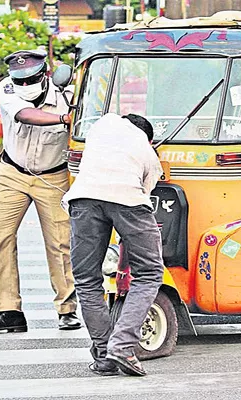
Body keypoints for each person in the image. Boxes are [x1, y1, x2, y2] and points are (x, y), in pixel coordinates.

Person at [0, 49, 81, 333]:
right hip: (12, 173)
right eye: (20, 80)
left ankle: (67, 309)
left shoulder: (67, 96)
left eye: (30, 79)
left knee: (60, 244)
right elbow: (24, 115)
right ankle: (8, 311)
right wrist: (62, 120)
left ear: (44, 74)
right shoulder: (7, 89)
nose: (24, 86)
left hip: (53, 176)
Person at [62, 113, 164, 376]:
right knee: (150, 273)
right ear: (149, 139)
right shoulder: (148, 152)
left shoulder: (102, 124)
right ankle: (121, 346)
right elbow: (145, 191)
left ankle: (104, 352)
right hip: (128, 201)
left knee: (86, 280)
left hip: (82, 199)